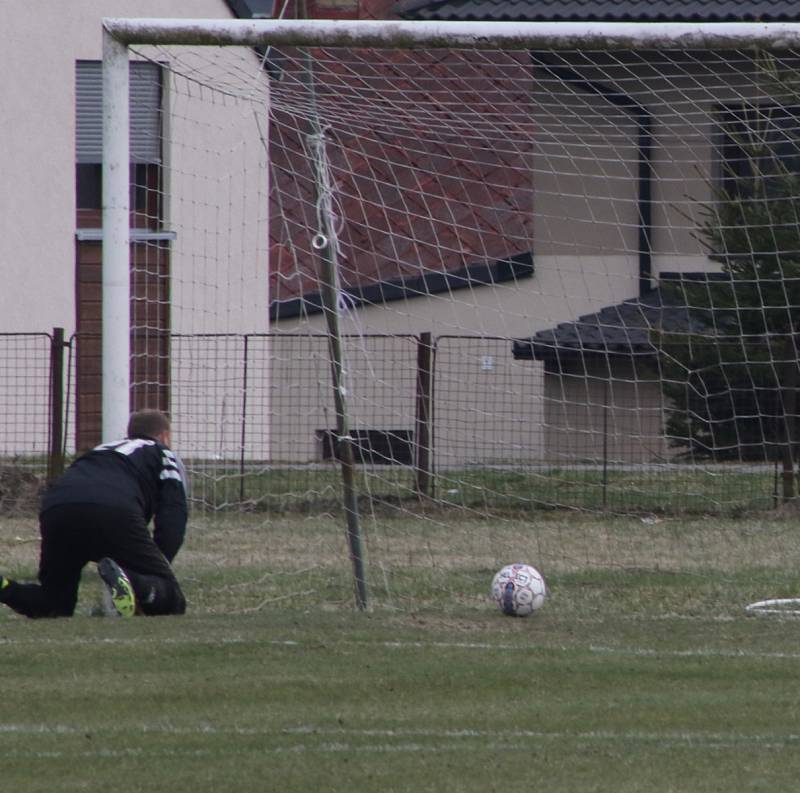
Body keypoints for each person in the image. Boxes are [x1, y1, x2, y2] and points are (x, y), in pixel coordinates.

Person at [0, 409, 188, 618]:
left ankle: (4, 587)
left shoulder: (100, 450)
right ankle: (134, 583)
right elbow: (173, 517)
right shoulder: (162, 452)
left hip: (57, 507)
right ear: (164, 436)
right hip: (111, 509)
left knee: (54, 604)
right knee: (173, 600)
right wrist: (156, 568)